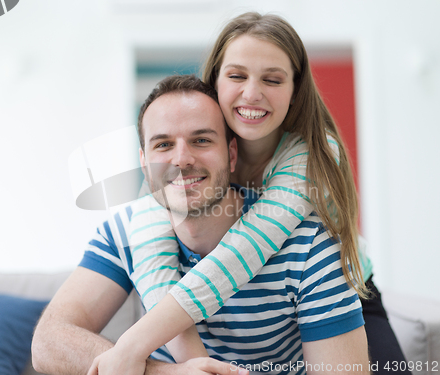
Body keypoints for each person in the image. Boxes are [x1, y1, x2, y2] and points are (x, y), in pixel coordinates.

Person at [116, 12, 410, 375]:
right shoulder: (196, 154)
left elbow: (243, 251)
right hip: (232, 301)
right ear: (215, 82)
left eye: (272, 79)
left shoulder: (311, 156)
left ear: (294, 91)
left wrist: (132, 344)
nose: (252, 93)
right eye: (237, 75)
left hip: (347, 293)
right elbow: (147, 241)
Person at [32, 74, 370, 375]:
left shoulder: (308, 245)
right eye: (163, 144)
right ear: (143, 162)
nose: (182, 159)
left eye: (202, 140)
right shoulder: (122, 233)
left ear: (232, 154)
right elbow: (48, 343)